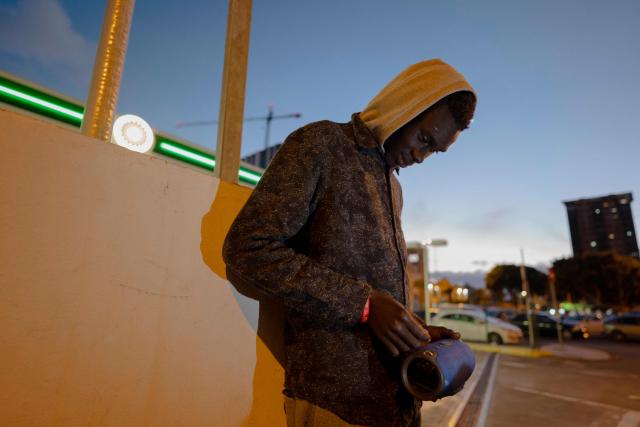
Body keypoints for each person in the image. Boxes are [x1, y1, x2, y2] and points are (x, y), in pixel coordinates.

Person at [223, 59, 477, 427]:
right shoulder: (321, 145)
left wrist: (410, 328)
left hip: (396, 406)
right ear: (404, 105)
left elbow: (374, 290)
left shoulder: (395, 187)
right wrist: (364, 305)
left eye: (434, 151)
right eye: (423, 139)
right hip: (335, 405)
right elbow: (248, 248)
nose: (421, 157)